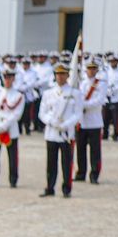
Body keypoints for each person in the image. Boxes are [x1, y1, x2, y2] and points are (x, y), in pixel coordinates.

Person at [38, 64, 79, 197]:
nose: (60, 77)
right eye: (57, 74)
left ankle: (67, 188)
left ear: (68, 75)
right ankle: (50, 187)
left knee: (67, 163)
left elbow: (77, 114)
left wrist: (66, 124)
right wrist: (51, 121)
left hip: (66, 133)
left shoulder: (75, 93)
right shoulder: (48, 93)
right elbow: (42, 113)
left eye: (63, 74)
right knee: (51, 163)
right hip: (51, 133)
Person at [0, 67, 24, 189]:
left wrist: (5, 125)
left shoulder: (18, 96)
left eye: (10, 78)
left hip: (11, 129)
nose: (7, 80)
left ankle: (13, 180)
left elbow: (17, 114)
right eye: (5, 78)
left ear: (13, 79)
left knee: (12, 157)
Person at [75, 60, 104, 185]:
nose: (91, 71)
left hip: (94, 122)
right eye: (89, 68)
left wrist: (82, 104)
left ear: (97, 70)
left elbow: (99, 101)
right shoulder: (80, 84)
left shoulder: (101, 84)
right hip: (82, 122)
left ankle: (94, 175)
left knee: (95, 151)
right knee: (80, 149)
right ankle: (81, 173)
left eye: (93, 68)